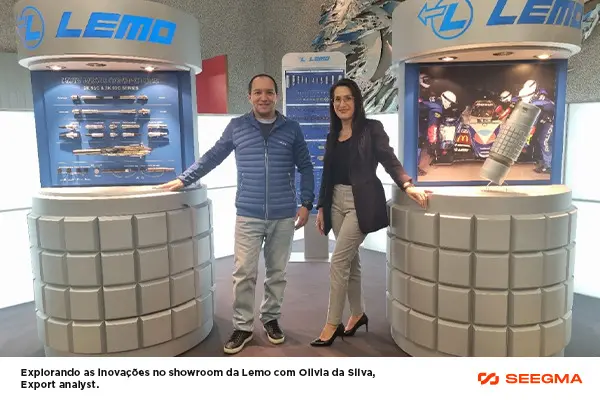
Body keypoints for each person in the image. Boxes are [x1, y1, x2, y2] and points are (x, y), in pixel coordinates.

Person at [156, 73, 315, 355]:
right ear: (249, 96)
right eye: (258, 92)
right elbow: (213, 156)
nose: (263, 97)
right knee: (244, 273)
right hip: (248, 214)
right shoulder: (237, 127)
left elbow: (305, 166)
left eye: (269, 92)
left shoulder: (291, 128)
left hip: (283, 215)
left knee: (277, 273)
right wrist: (184, 179)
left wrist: (306, 203)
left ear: (276, 96)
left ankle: (271, 318)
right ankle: (243, 326)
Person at [310, 78, 430, 346]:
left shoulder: (371, 129)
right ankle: (357, 314)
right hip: (335, 202)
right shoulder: (332, 135)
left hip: (360, 202)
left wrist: (407, 184)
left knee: (338, 261)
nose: (342, 104)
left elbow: (388, 159)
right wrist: (321, 207)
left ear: (357, 101)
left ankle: (332, 323)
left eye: (347, 98)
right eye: (337, 99)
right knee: (350, 261)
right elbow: (327, 175)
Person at [417, 90, 459, 175]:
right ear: (446, 101)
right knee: (418, 145)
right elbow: (433, 126)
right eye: (450, 103)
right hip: (416, 126)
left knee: (418, 144)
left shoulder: (435, 101)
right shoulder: (437, 108)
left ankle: (413, 167)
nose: (450, 106)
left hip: (418, 123)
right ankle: (414, 169)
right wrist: (433, 143)